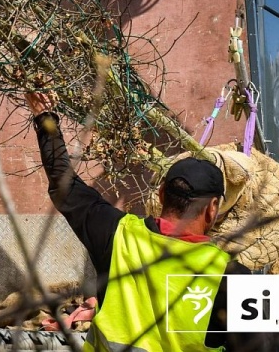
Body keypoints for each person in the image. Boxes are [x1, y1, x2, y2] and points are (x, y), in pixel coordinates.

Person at [27, 92, 251, 352]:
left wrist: (44, 117)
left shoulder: (116, 233)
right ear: (212, 208)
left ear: (161, 194)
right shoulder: (237, 278)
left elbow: (63, 183)